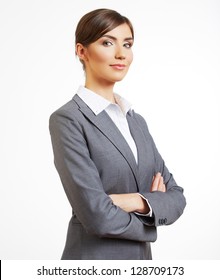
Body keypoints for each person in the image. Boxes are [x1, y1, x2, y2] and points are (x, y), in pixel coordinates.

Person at [49, 8, 186, 260]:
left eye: (128, 44)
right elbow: (96, 216)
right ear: (82, 51)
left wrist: (135, 201)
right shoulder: (68, 119)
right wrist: (152, 212)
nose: (121, 53)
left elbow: (177, 197)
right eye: (107, 42)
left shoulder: (136, 121)